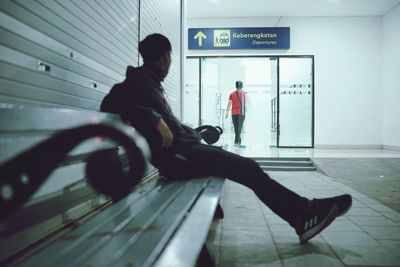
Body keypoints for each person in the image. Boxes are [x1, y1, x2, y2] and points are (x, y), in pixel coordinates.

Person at [100, 33, 352, 244]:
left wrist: (189, 130)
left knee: (246, 167)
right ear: (166, 56)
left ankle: (303, 212)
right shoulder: (140, 80)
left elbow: (165, 122)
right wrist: (150, 117)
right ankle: (303, 214)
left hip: (184, 151)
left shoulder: (149, 81)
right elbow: (110, 102)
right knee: (247, 167)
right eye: (170, 58)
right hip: (178, 157)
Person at [225, 81, 245, 146]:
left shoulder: (232, 94)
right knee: (239, 127)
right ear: (242, 86)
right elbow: (248, 103)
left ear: (236, 86)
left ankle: (237, 141)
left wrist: (227, 112)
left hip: (234, 114)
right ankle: (237, 141)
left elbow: (229, 104)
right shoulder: (244, 94)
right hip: (241, 113)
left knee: (236, 127)